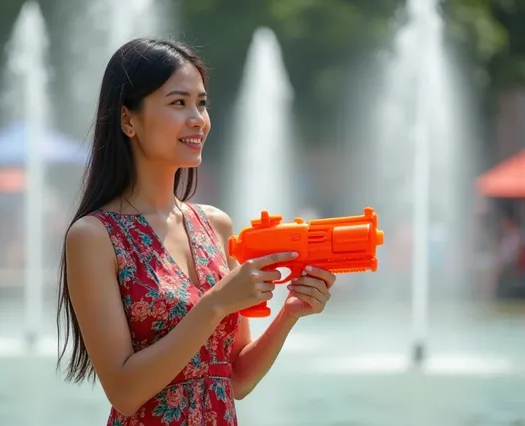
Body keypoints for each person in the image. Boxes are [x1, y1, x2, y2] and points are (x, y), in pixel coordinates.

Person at [57, 38, 336, 425]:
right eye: (178, 103)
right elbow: (124, 392)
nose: (197, 119)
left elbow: (234, 378)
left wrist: (289, 313)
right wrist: (214, 304)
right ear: (128, 120)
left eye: (201, 103)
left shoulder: (215, 226)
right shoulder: (93, 237)